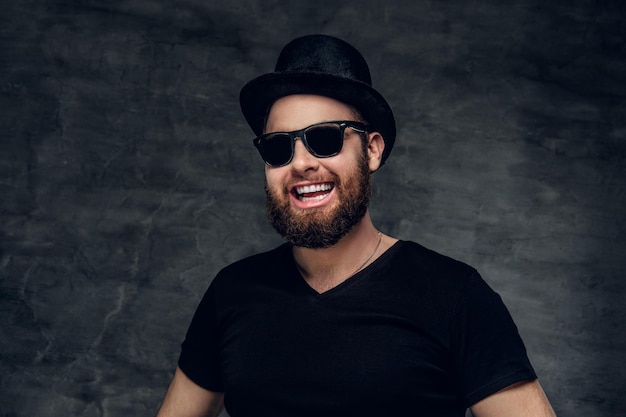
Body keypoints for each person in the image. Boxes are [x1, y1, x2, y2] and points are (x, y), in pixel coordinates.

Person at [156, 34, 556, 417]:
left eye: (325, 139)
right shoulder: (232, 292)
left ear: (372, 150)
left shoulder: (455, 295)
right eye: (279, 147)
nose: (300, 164)